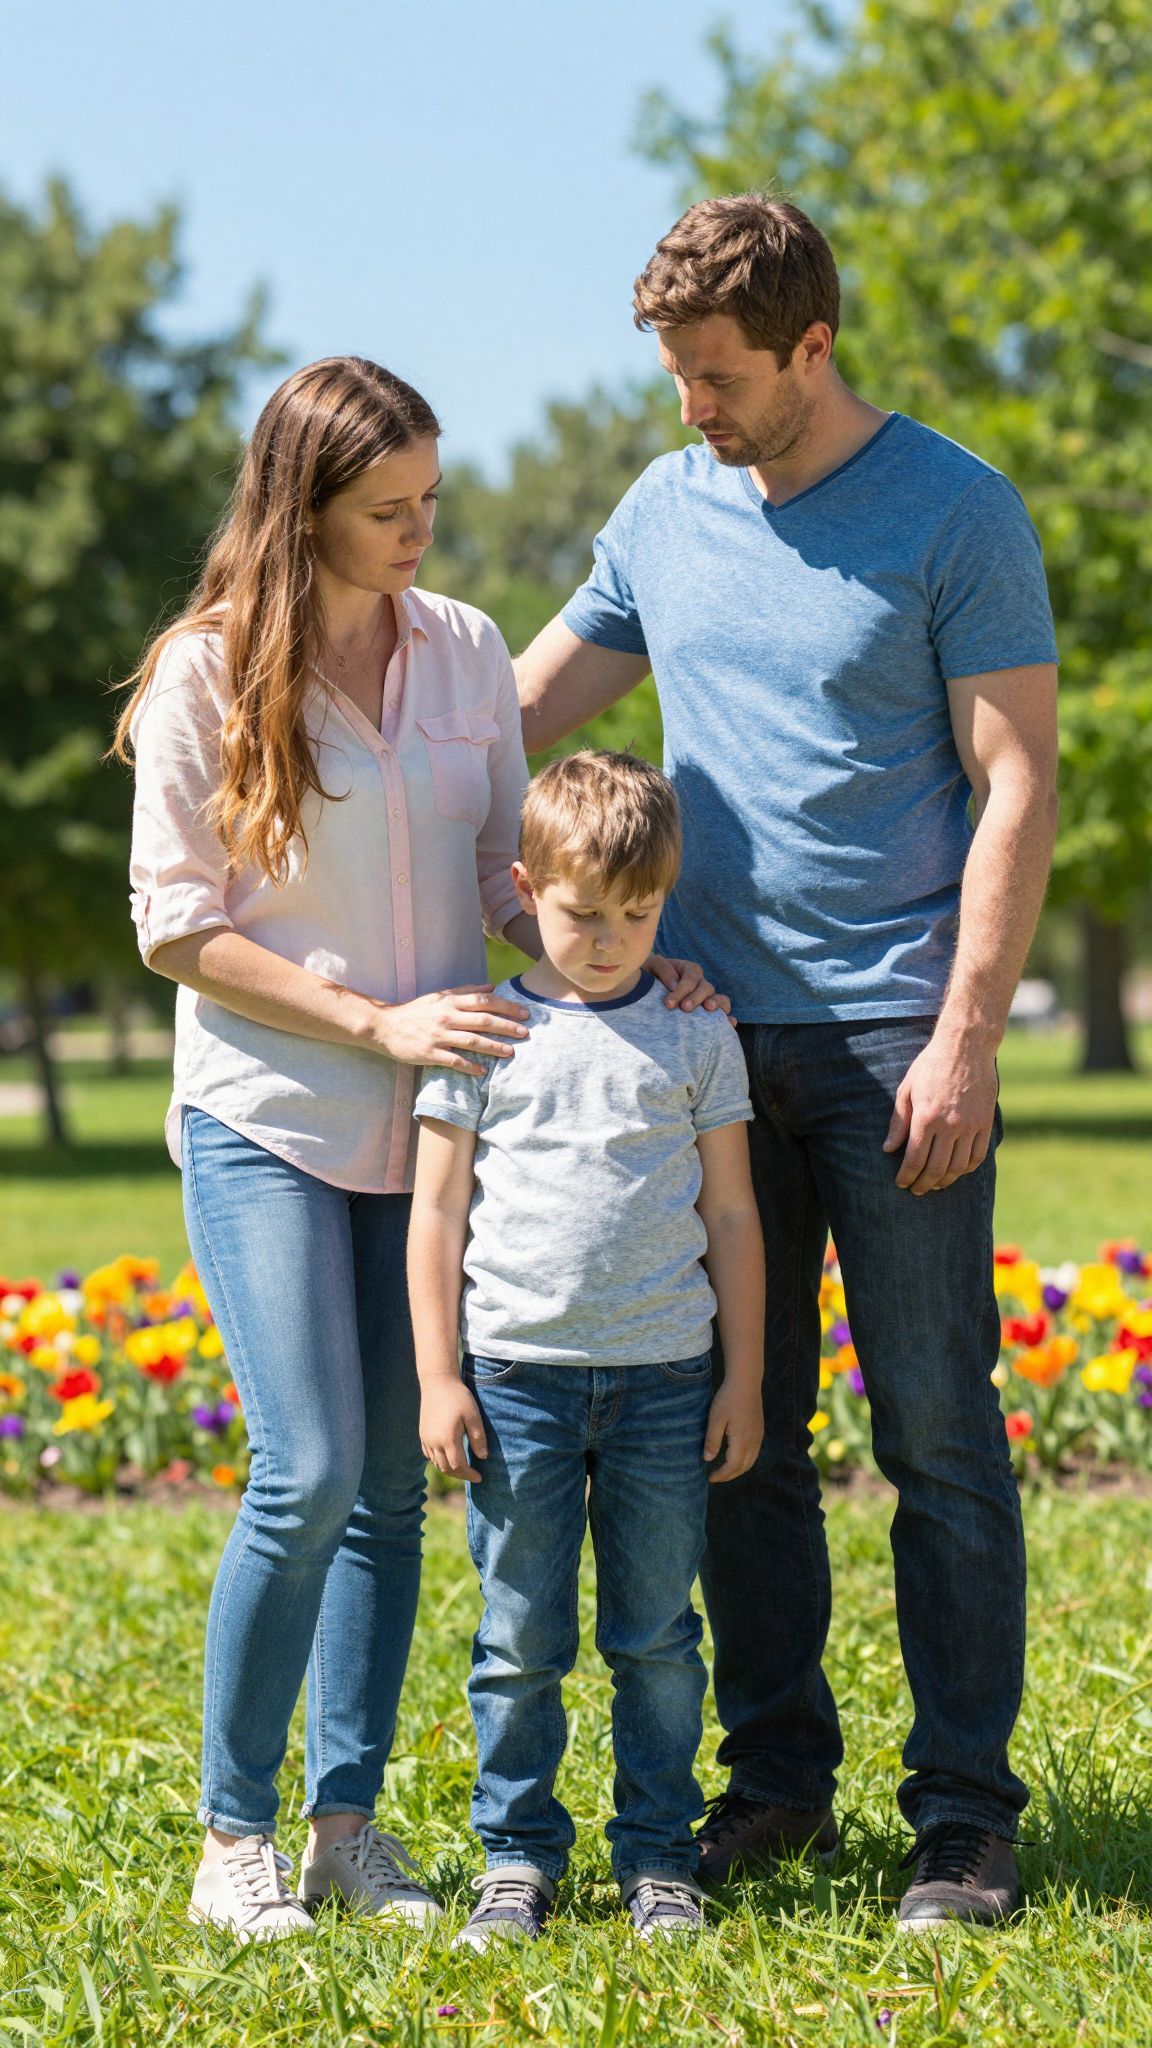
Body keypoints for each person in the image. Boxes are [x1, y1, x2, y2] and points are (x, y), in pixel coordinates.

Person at [116, 358, 716, 1942]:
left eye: (429, 502)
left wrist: (634, 967)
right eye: (388, 511)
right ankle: (231, 1832)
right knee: (308, 1467)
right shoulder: (206, 674)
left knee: (388, 1489)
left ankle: (345, 1828)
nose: (420, 534)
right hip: (274, 1114)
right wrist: (371, 1024)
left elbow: (507, 875)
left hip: (446, 1129)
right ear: (299, 507)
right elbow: (178, 928)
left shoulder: (459, 656)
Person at [514, 197, 1060, 1930]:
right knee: (733, 1429)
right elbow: (511, 713)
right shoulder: (661, 512)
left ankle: (962, 1815)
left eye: (720, 376)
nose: (692, 408)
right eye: (675, 374)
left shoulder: (954, 508)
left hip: (898, 1034)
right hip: (708, 1042)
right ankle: (774, 1781)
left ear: (812, 346)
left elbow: (1016, 780)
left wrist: (965, 1036)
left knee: (938, 1433)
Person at [408, 752, 766, 1947]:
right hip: (516, 1384)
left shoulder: (697, 1037)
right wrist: (439, 1374)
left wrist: (746, 1379)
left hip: (668, 1380)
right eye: (579, 912)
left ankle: (661, 1854)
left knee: (658, 1634)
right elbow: (439, 1212)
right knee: (519, 1636)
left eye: (637, 913)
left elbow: (730, 1216)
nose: (609, 938)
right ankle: (517, 1856)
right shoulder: (484, 1032)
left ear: (666, 899)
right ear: (524, 886)